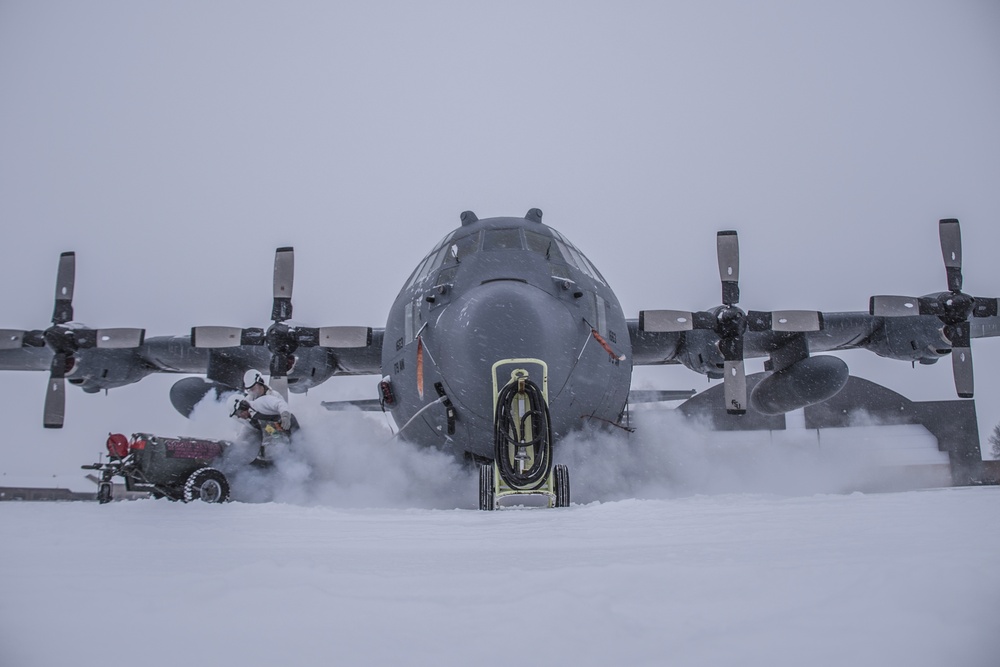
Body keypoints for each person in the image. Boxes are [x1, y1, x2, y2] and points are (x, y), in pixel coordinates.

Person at [236, 369, 299, 466]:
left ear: (260, 383)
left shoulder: (274, 396)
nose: (251, 392)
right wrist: (239, 443)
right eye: (249, 390)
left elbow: (280, 405)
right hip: (264, 430)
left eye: (253, 388)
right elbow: (247, 425)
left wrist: (285, 415)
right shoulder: (249, 399)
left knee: (291, 446)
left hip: (279, 427)